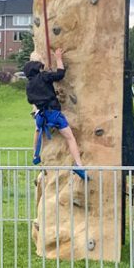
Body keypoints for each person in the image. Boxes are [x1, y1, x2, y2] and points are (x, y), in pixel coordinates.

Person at [24, 48, 86, 179]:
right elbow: (60, 74)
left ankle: (35, 154)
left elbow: (30, 99)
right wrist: (58, 59)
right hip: (54, 113)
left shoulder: (29, 85)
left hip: (41, 115)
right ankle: (79, 165)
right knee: (70, 138)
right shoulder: (44, 76)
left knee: (37, 129)